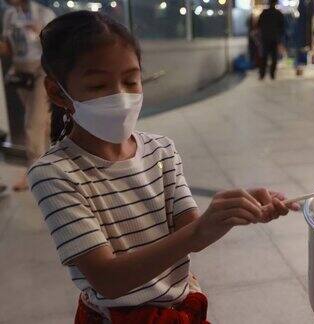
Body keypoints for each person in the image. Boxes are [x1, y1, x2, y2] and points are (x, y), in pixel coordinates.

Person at [28, 11, 298, 323]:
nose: (121, 96)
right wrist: (198, 230)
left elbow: (190, 231)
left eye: (131, 80)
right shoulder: (55, 173)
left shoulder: (161, 150)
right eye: (99, 85)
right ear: (57, 92)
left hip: (181, 305)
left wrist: (228, 213)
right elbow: (108, 280)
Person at [0, 0, 55, 191]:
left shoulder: (43, 13)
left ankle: (34, 174)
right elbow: (8, 47)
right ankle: (52, 162)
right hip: (21, 72)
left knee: (33, 123)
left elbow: (56, 45)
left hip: (41, 70)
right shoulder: (10, 15)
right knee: (44, 123)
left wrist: (40, 33)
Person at [257, 0, 285, 80]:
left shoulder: (264, 13)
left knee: (264, 57)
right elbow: (282, 28)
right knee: (274, 58)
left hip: (265, 38)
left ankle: (262, 75)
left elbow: (258, 25)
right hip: (274, 39)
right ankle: (272, 75)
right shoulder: (278, 14)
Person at [293, 0, 314, 76]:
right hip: (304, 29)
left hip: (305, 29)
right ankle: (299, 66)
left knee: (301, 48)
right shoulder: (306, 3)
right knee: (300, 48)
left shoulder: (309, 2)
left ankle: (300, 65)